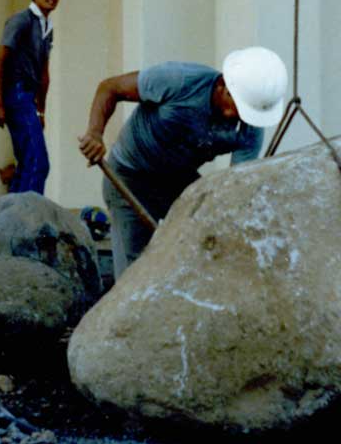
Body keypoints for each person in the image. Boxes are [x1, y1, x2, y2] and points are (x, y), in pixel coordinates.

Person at [78, 47, 287, 280]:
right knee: (133, 274)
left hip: (178, 181)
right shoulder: (180, 81)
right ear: (224, 84)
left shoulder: (250, 126)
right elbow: (110, 87)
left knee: (203, 247)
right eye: (233, 104)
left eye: (242, 112)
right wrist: (95, 134)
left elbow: (236, 185)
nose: (231, 116)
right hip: (130, 176)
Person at [0, 0, 64, 195]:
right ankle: (30, 223)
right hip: (16, 94)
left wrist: (41, 111)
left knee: (27, 162)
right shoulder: (21, 21)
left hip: (29, 98)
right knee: (38, 162)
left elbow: (44, 72)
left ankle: (12, 221)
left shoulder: (47, 27)